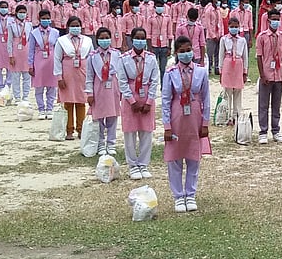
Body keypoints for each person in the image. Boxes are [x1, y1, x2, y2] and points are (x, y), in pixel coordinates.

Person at [162, 35, 210, 213]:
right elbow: (166, 100)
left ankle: (190, 194)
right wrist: (167, 126)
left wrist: (205, 123)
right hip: (177, 117)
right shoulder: (170, 73)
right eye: (182, 51)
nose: (186, 54)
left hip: (194, 118)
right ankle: (178, 196)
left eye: (188, 50)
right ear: (176, 53)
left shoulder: (201, 71)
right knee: (175, 158)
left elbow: (206, 98)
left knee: (193, 157)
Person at [117, 28, 160, 179]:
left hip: (146, 96)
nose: (140, 41)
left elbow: (155, 81)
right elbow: (122, 81)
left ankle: (143, 163)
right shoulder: (124, 58)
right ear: (132, 39)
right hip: (130, 98)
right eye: (137, 38)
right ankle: (132, 165)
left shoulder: (151, 58)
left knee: (146, 132)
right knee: (130, 133)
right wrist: (131, 101)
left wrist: (149, 101)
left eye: (143, 38)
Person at [85, 27, 122, 157]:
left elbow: (121, 73)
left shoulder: (117, 54)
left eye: (107, 38)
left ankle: (111, 143)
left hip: (113, 87)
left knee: (112, 117)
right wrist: (89, 93)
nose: (104, 40)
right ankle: (100, 143)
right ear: (97, 40)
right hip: (98, 88)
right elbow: (89, 75)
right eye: (101, 38)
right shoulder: (92, 56)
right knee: (99, 117)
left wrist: (122, 90)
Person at [54, 16, 92, 141]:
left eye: (78, 25)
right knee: (68, 102)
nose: (76, 28)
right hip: (68, 73)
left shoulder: (87, 40)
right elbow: (57, 59)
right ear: (68, 27)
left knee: (81, 101)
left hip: (82, 73)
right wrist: (59, 77)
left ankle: (81, 129)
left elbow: (91, 57)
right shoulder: (62, 40)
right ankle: (69, 130)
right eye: (73, 25)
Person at [256, 9, 282, 144]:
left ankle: (276, 130)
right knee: (263, 105)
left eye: (277, 19)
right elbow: (259, 56)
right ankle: (263, 131)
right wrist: (262, 75)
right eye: (273, 19)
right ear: (268, 20)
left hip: (279, 75)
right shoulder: (262, 36)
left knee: (276, 104)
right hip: (267, 74)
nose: (275, 21)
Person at [28, 9, 60, 119]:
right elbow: (31, 49)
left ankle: (50, 108)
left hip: (51, 59)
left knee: (51, 86)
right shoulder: (34, 33)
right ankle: (41, 109)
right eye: (43, 19)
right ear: (39, 19)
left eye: (47, 18)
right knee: (39, 86)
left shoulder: (55, 32)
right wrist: (30, 65)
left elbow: (58, 47)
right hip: (39, 59)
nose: (45, 20)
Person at [219, 17, 249, 122]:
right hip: (227, 65)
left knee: (238, 91)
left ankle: (236, 115)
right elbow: (221, 55)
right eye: (232, 27)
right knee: (227, 92)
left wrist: (245, 71)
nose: (234, 29)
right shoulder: (224, 39)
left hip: (238, 65)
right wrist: (221, 71)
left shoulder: (242, 40)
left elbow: (245, 56)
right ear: (228, 27)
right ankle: (227, 116)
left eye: (236, 27)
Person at [6, 5, 32, 103]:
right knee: (15, 76)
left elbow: (31, 40)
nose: (22, 14)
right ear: (16, 13)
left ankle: (25, 96)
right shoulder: (11, 25)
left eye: (24, 12)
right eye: (20, 12)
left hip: (27, 50)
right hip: (16, 50)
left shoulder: (29, 25)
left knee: (27, 75)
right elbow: (9, 41)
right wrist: (10, 55)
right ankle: (17, 97)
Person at [147, 0, 173, 81]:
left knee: (163, 69)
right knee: (152, 69)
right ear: (154, 7)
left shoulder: (167, 18)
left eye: (161, 6)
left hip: (164, 46)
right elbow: (148, 35)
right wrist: (149, 48)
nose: (160, 8)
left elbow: (170, 34)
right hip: (154, 46)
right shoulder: (150, 18)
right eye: (158, 6)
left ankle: (163, 87)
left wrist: (169, 48)